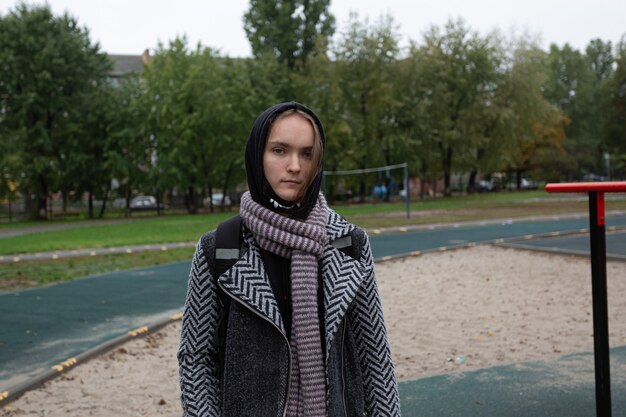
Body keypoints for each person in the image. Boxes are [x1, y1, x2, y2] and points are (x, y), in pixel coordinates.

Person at [178, 102, 400, 417]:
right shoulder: (221, 248)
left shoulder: (348, 243)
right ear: (257, 156)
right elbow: (197, 358)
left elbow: (374, 357)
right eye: (280, 151)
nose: (295, 165)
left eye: (306, 153)